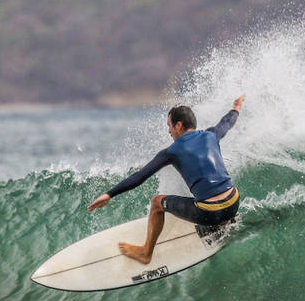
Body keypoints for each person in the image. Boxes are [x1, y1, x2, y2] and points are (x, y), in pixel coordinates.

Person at [87, 94, 246, 264]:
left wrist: (109, 194)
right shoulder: (211, 134)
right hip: (234, 203)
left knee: (157, 203)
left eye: (169, 126)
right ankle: (223, 225)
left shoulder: (171, 151)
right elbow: (227, 122)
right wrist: (236, 108)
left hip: (209, 212)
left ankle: (145, 253)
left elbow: (140, 177)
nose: (169, 131)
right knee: (215, 194)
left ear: (179, 125)